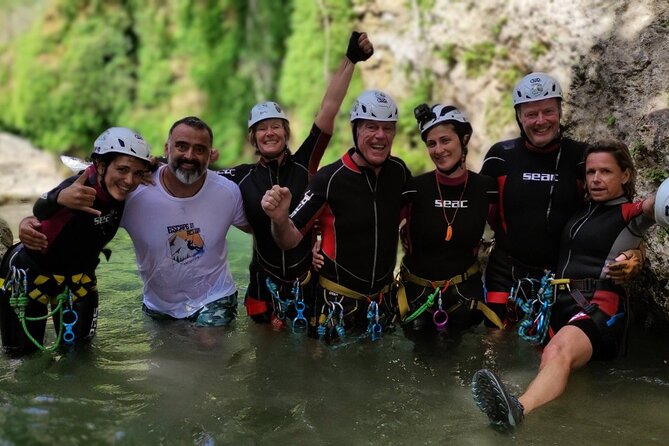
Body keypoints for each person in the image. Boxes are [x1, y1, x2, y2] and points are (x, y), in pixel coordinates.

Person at [471, 139, 667, 429]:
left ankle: (517, 410)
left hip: (600, 308)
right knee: (556, 368)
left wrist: (637, 253)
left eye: (606, 171)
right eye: (590, 173)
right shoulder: (581, 210)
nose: (596, 179)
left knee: (557, 353)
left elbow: (653, 207)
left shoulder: (630, 213)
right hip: (560, 308)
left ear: (625, 175)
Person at [19, 116, 251, 327]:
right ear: (167, 149)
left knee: (207, 348)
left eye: (199, 149)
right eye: (181, 146)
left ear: (212, 154)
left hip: (214, 296)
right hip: (158, 306)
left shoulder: (227, 192)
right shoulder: (133, 192)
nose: (189, 156)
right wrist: (30, 221)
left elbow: (255, 229)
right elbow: (67, 215)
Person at [219, 31, 374, 330]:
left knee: (310, 355)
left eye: (275, 126)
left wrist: (350, 59)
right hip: (263, 281)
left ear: (285, 132)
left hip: (307, 279)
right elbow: (197, 176)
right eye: (261, 129)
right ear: (253, 138)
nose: (269, 133)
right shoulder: (241, 176)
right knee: (263, 355)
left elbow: (328, 110)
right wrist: (155, 165)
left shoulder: (305, 163)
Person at [479, 72, 641, 325]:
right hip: (505, 270)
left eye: (548, 112)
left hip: (562, 275)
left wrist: (636, 254)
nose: (540, 121)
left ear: (560, 112)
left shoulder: (581, 157)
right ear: (519, 117)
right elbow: (473, 209)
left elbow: (612, 213)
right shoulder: (500, 156)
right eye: (531, 114)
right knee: (496, 343)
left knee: (549, 346)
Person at [261, 89, 414, 342]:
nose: (380, 136)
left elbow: (413, 214)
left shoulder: (398, 171)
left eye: (388, 128)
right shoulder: (328, 179)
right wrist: (279, 218)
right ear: (355, 130)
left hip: (383, 303)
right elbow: (288, 239)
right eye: (371, 127)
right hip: (338, 305)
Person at [0, 127, 151, 355]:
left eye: (138, 173)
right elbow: (40, 208)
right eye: (122, 169)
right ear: (100, 166)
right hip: (28, 275)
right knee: (22, 361)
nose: (129, 180)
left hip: (79, 279)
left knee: (80, 359)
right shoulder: (79, 188)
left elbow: (163, 167)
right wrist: (59, 197)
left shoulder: (123, 186)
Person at [396, 103, 501, 341]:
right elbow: (376, 229)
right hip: (418, 301)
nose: (438, 149)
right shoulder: (413, 188)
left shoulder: (485, 189)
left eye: (445, 140)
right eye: (431, 144)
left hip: (467, 300)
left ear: (463, 139)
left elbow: (508, 234)